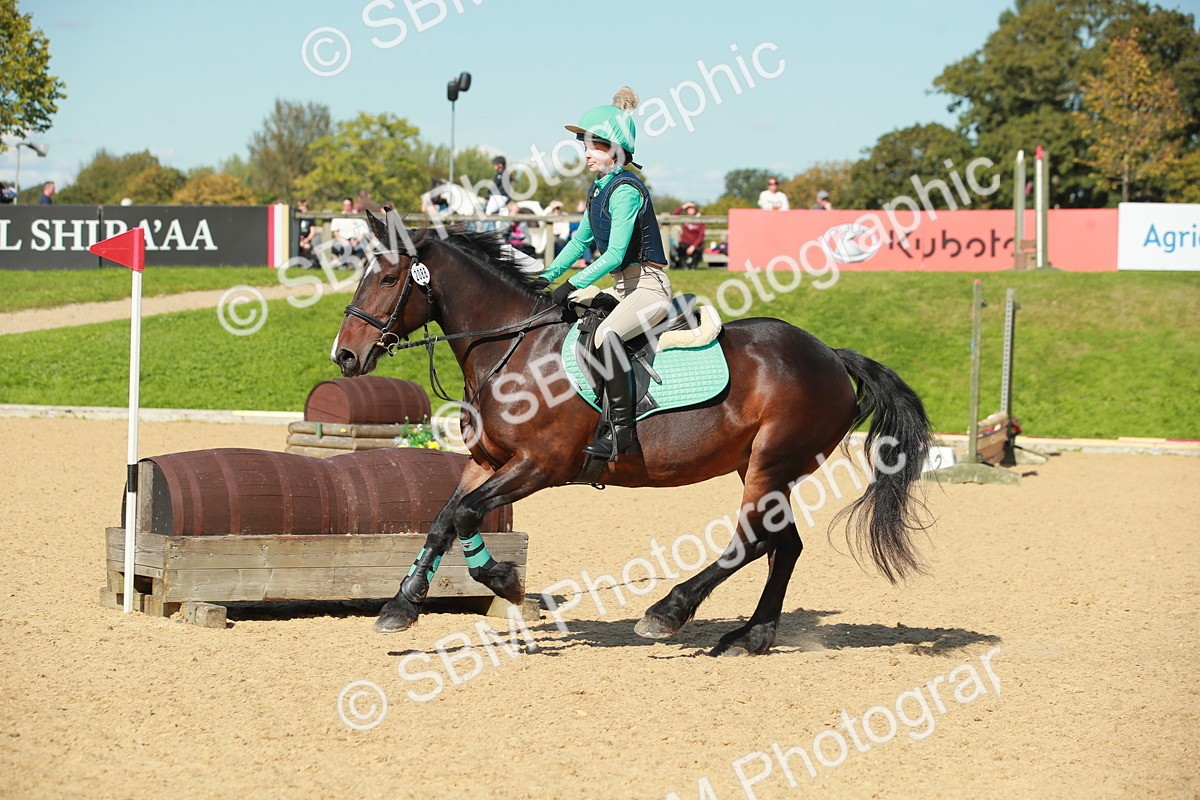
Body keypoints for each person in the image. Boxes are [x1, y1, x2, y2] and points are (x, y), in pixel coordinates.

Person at [541, 86, 672, 462]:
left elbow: (614, 254)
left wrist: (571, 283)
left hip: (648, 287)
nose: (586, 153)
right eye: (585, 145)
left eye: (594, 146)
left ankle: (622, 432)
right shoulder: (598, 189)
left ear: (615, 150)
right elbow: (578, 242)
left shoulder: (626, 191)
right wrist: (544, 278)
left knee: (608, 333)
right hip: (622, 288)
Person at [331, 197, 368, 266]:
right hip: (342, 241)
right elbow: (335, 232)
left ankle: (354, 263)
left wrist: (357, 241)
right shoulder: (338, 217)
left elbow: (363, 232)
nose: (347, 207)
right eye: (345, 205)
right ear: (342, 206)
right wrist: (344, 241)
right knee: (338, 247)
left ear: (352, 205)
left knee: (365, 247)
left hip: (356, 241)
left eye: (348, 205)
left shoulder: (358, 216)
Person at [671, 201, 707, 269]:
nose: (690, 210)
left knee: (699, 250)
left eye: (692, 208)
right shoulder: (684, 218)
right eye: (689, 208)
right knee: (680, 249)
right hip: (684, 243)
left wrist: (693, 246)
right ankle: (683, 267)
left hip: (695, 245)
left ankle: (693, 267)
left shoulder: (700, 220)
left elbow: (701, 236)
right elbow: (673, 215)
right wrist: (684, 206)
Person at [296, 199, 316, 263]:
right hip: (296, 239)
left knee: (306, 247)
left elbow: (312, 232)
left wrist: (307, 239)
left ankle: (301, 261)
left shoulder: (310, 218)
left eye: (304, 207)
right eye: (300, 207)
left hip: (306, 240)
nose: (302, 209)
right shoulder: (296, 217)